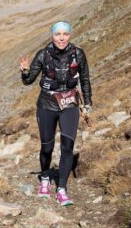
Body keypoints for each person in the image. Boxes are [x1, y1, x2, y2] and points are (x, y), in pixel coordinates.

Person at [19, 21, 92, 206]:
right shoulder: (43, 54)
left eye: (65, 34)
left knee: (67, 146)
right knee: (47, 147)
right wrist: (25, 71)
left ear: (70, 35)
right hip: (47, 105)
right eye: (58, 34)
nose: (61, 38)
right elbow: (28, 81)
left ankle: (62, 188)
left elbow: (84, 79)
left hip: (70, 105)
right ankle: (44, 177)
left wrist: (87, 104)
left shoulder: (78, 54)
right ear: (52, 35)